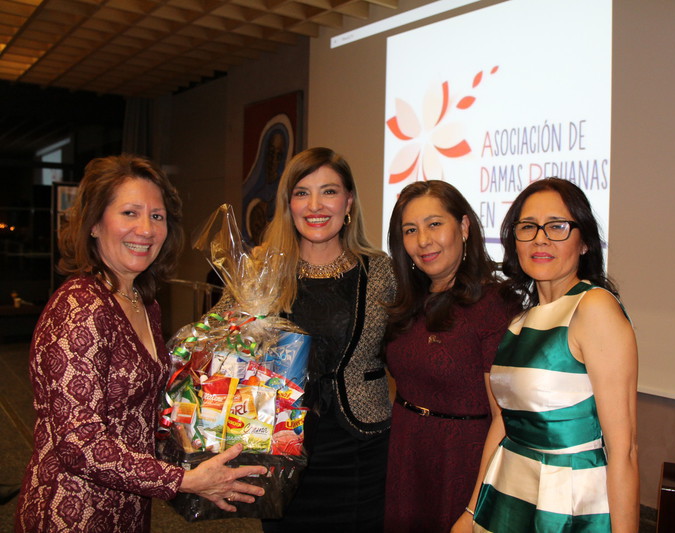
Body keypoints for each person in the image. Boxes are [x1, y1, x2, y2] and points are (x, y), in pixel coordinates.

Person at [14, 155, 268, 533]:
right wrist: (183, 480)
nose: (146, 229)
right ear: (94, 224)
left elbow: (144, 409)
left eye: (157, 216)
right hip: (73, 511)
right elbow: (79, 443)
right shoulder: (80, 307)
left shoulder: (144, 303)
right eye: (130, 213)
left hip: (130, 506)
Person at [210, 147, 395, 531]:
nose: (315, 206)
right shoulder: (259, 269)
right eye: (302, 193)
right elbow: (218, 346)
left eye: (329, 191)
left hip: (359, 450)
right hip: (279, 447)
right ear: (288, 204)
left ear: (348, 201)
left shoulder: (379, 271)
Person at [472, 178, 639, 532]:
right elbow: (504, 422)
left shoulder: (594, 307)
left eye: (557, 226)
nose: (540, 239)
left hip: (566, 504)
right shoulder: (520, 320)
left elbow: (623, 450)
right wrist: (472, 511)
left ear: (584, 242)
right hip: (507, 494)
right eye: (528, 227)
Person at [383, 180, 522, 533]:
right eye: (410, 230)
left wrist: (475, 509)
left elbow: (504, 418)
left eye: (434, 224)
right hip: (407, 456)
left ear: (463, 226)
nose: (423, 241)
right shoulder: (408, 302)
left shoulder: (495, 304)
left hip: (464, 464)